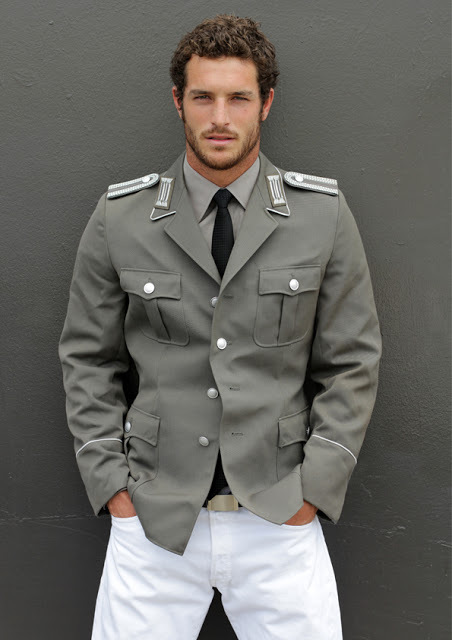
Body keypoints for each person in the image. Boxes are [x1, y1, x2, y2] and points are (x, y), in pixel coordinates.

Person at [59, 14, 382, 640]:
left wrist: (315, 489)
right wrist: (113, 487)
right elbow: (87, 359)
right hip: (153, 518)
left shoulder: (322, 216)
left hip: (280, 515)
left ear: (266, 103)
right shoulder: (120, 218)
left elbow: (352, 362)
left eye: (239, 98)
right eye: (203, 97)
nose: (220, 118)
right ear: (178, 101)